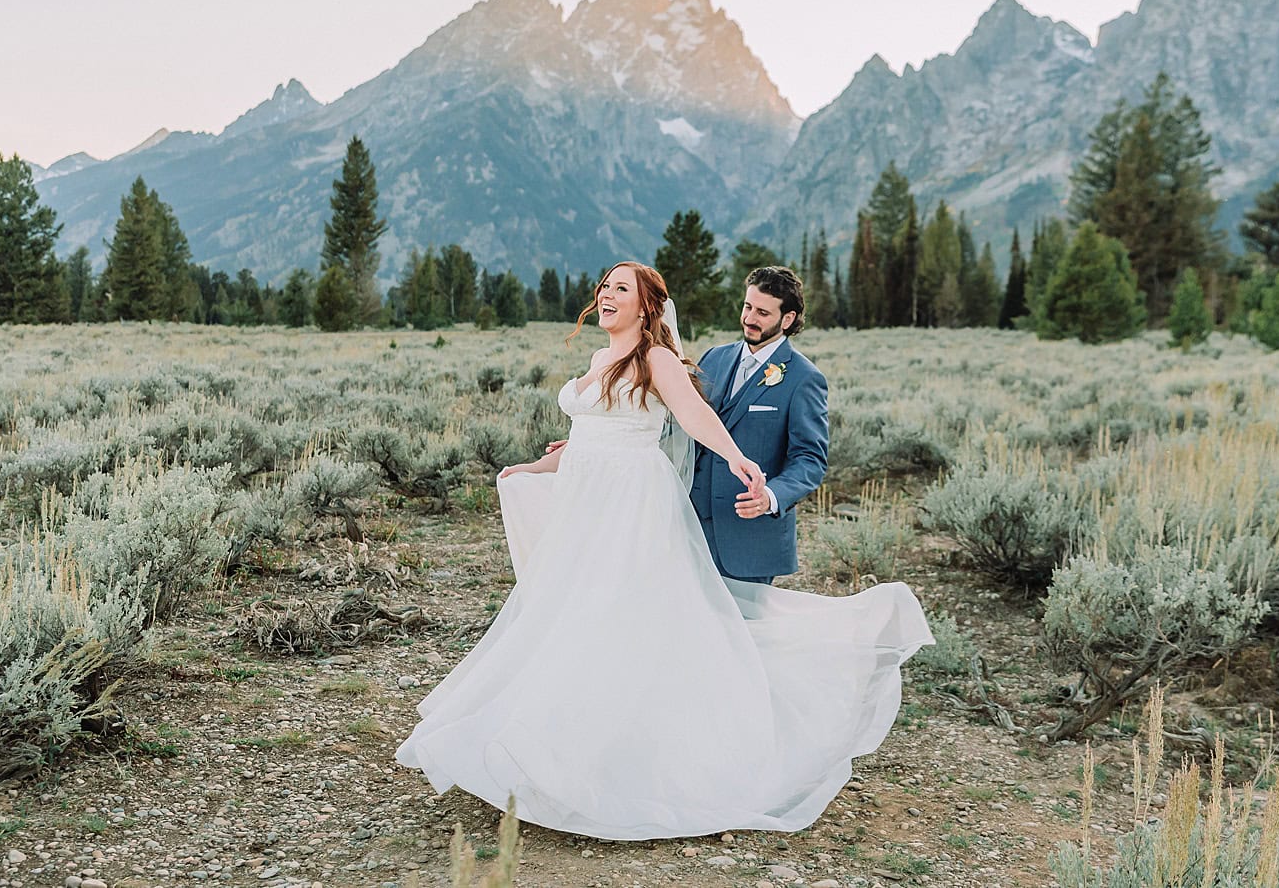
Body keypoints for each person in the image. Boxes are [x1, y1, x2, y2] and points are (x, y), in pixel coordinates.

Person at [394, 261, 932, 841]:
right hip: (592, 503)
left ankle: (688, 743)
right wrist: (537, 464)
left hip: (636, 506)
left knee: (661, 623)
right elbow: (610, 430)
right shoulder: (638, 359)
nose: (605, 294)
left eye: (619, 289)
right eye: (603, 285)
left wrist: (743, 464)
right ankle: (564, 742)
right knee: (585, 618)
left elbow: (695, 416)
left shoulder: (676, 361)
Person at [690, 265, 826, 585]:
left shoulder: (804, 378)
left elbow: (810, 459)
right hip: (692, 529)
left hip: (749, 539)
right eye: (747, 307)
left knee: (746, 634)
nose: (750, 318)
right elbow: (681, 424)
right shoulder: (713, 358)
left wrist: (771, 497)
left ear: (788, 319)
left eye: (763, 312)